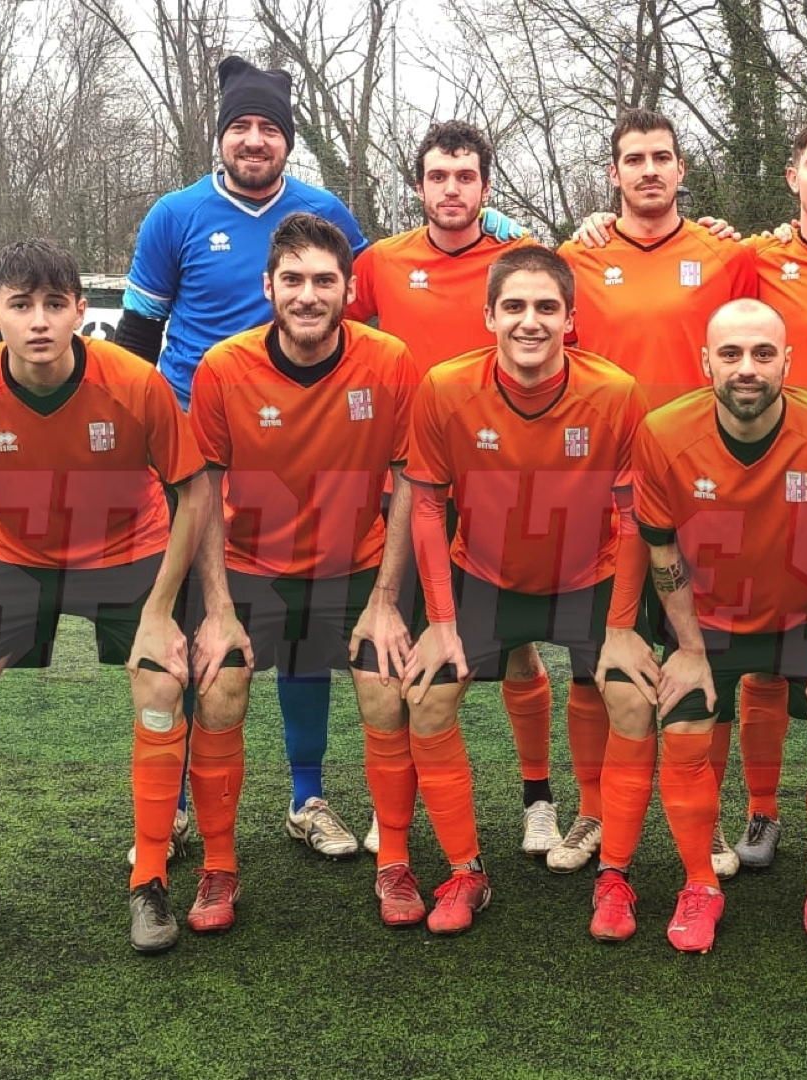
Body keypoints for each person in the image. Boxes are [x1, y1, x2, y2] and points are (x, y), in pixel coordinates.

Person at [114, 59, 523, 866]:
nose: (255, 140)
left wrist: (500, 230)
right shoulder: (175, 216)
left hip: (321, 446)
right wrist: (139, 443)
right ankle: (187, 799)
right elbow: (137, 334)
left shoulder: (325, 211)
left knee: (304, 632)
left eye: (270, 128)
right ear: (222, 136)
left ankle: (307, 795)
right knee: (200, 639)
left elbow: (382, 282)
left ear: (287, 141)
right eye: (242, 127)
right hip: (210, 450)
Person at [0, 239, 210, 954]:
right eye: (22, 305)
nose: (39, 321)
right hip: (16, 556)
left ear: (81, 313)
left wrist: (159, 611)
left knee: (162, 687)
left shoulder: (134, 384)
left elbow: (194, 489)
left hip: (130, 551)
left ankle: (150, 882)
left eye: (55, 305)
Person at [400, 246, 650, 935]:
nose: (529, 321)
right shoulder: (445, 388)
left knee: (632, 697)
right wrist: (443, 622)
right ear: (488, 316)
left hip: (588, 575)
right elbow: (426, 506)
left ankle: (616, 877)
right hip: (484, 576)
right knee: (426, 697)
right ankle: (464, 871)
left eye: (546, 307)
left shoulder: (616, 393)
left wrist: (624, 627)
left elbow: (634, 517)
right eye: (514, 306)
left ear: (571, 318)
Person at [188, 212, 427, 928]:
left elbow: (411, 479)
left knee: (385, 688)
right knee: (221, 683)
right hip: (251, 566)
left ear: (348, 290)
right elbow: (202, 486)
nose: (308, 294)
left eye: (324, 280)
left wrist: (386, 600)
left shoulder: (388, 361)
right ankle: (217, 870)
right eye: (292, 279)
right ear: (268, 287)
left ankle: (396, 866)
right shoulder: (224, 368)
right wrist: (220, 609)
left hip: (354, 566)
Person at [624, 298, 807, 962]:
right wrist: (686, 649)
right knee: (682, 730)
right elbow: (661, 548)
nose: (747, 368)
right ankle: (699, 884)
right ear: (704, 360)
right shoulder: (661, 432)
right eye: (731, 354)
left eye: (763, 354)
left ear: (787, 363)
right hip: (707, 619)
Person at [347, 121, 565, 859]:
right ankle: (398, 802)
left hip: (504, 480)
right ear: (417, 186)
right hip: (409, 483)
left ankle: (538, 796)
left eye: (465, 176)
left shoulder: (517, 262)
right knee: (406, 650)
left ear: (485, 186)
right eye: (439, 176)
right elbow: (335, 340)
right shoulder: (378, 263)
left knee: (517, 650)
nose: (451, 189)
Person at [554, 108, 761, 877]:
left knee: (696, 658)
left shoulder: (725, 254)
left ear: (681, 171)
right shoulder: (578, 255)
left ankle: (699, 819)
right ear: (612, 174)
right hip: (600, 487)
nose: (648, 170)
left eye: (661, 158)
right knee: (591, 661)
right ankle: (591, 812)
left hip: (701, 487)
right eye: (633, 159)